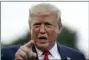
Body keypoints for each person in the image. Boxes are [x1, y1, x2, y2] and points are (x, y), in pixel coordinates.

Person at [1, 3, 85, 60]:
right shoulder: (6, 54)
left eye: (48, 24)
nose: (41, 31)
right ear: (30, 27)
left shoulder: (77, 56)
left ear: (59, 28)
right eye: (37, 25)